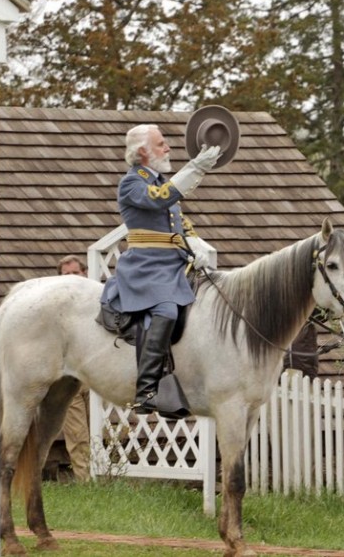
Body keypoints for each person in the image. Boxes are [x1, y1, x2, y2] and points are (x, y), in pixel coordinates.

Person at [100, 125, 221, 415]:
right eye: (161, 144)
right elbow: (159, 198)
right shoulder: (132, 183)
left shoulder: (159, 179)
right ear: (143, 152)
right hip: (147, 267)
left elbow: (177, 221)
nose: (168, 149)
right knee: (166, 310)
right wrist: (195, 169)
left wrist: (194, 242)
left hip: (174, 264)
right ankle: (146, 391)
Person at [56, 255, 92, 481]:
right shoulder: (54, 308)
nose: (71, 278)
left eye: (75, 273)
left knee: (102, 430)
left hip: (98, 376)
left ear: (85, 274)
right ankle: (86, 483)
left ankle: (106, 476)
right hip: (70, 379)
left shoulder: (97, 301)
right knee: (77, 434)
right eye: (65, 274)